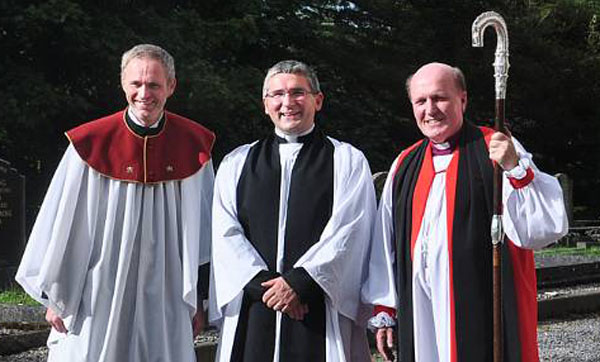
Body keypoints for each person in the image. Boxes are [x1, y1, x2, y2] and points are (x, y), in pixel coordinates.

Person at [15, 44, 215, 362]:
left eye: (154, 85)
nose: (144, 93)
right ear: (123, 83)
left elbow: (205, 230)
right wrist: (57, 294)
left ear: (171, 86)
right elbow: (64, 222)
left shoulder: (194, 145)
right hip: (96, 285)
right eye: (136, 84)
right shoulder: (90, 143)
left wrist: (200, 298)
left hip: (166, 286)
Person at [364, 62, 568, 362]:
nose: (430, 109)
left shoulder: (496, 147)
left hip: (480, 304)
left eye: (440, 97)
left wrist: (515, 168)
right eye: (421, 101)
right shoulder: (405, 164)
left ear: (463, 99)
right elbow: (385, 244)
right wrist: (385, 309)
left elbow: (542, 229)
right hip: (419, 309)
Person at [209, 60, 376, 361]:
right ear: (265, 104)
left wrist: (300, 284)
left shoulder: (346, 161)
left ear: (318, 100)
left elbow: (349, 231)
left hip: (317, 304)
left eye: (298, 92)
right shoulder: (236, 163)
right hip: (255, 304)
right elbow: (225, 233)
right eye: (277, 94)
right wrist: (269, 290)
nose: (287, 103)